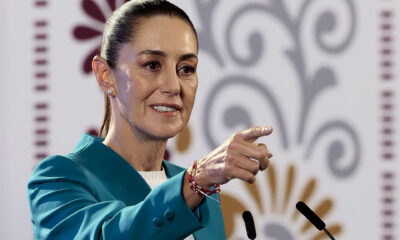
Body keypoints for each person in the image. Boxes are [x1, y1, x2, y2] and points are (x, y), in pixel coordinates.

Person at [27, 0, 273, 239]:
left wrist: (196, 182)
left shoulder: (200, 190)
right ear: (105, 75)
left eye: (186, 68)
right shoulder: (57, 178)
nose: (173, 86)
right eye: (152, 65)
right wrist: (196, 180)